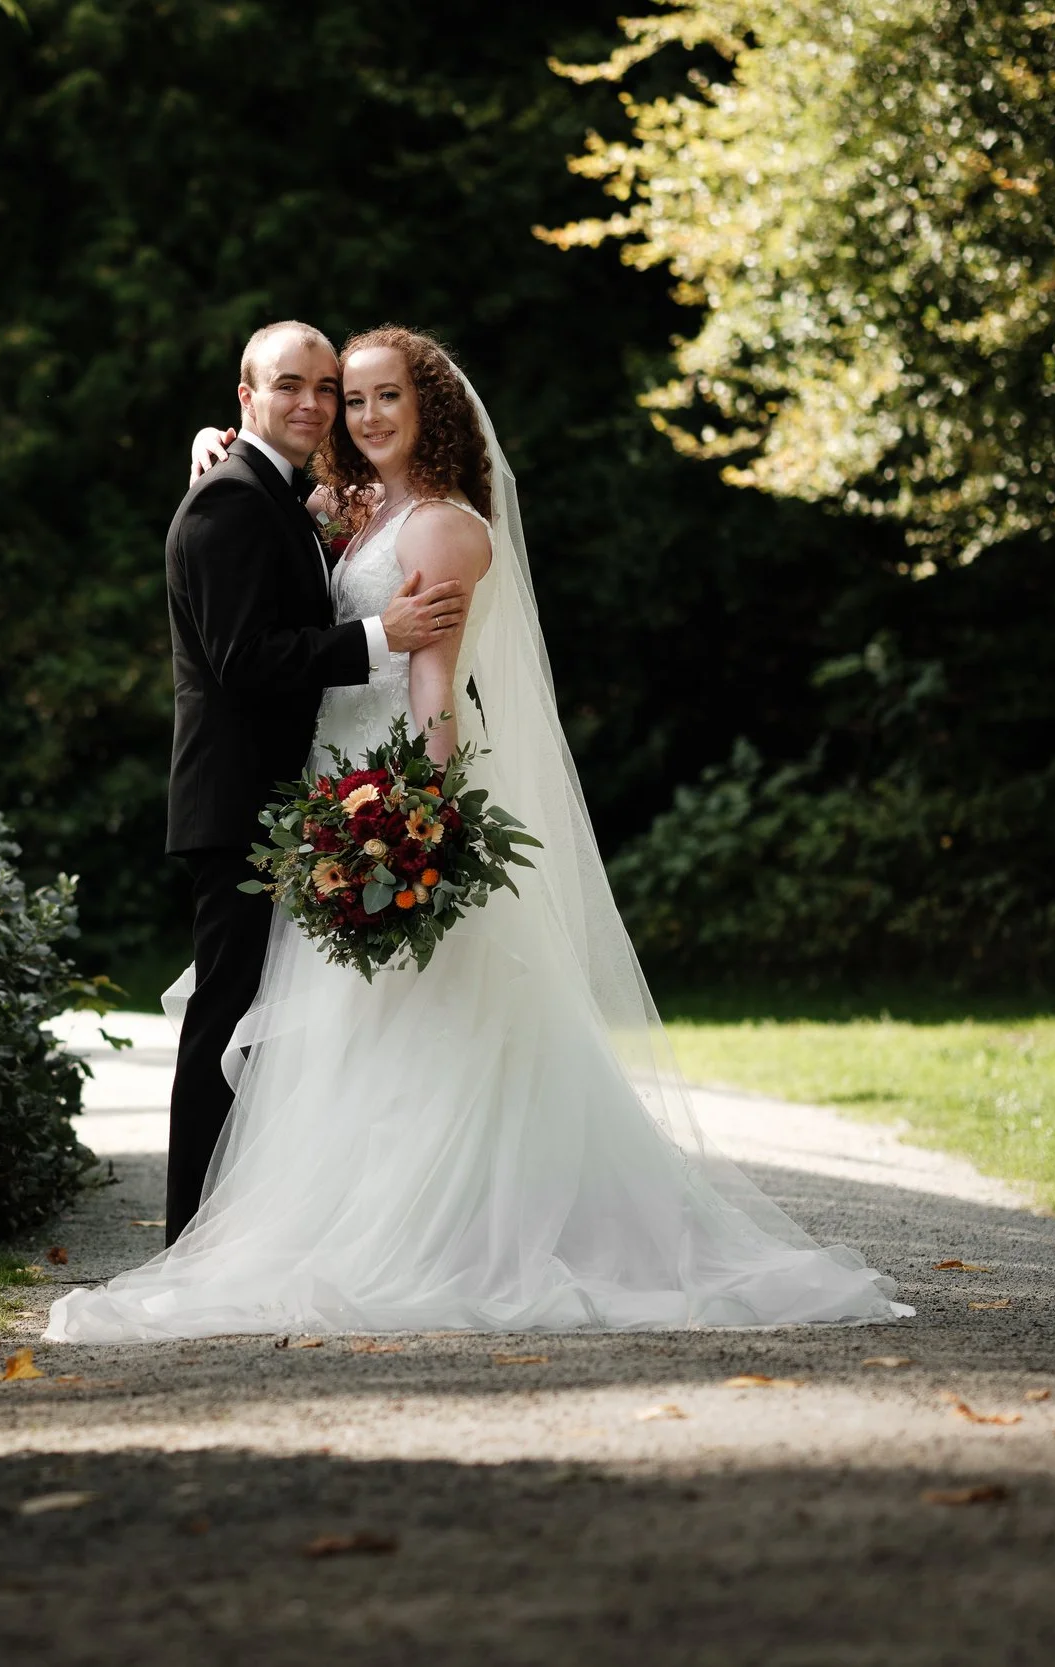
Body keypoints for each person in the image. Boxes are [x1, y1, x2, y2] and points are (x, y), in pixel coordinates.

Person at [49, 325, 908, 1341]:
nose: (351, 413)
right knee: (294, 1030)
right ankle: (246, 1229)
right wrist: (219, 439)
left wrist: (424, 814)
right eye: (337, 395)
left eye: (372, 397)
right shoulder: (349, 507)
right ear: (256, 394)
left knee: (390, 1025)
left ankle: (412, 1230)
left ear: (430, 411)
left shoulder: (442, 526)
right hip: (314, 796)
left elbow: (432, 690)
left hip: (376, 796)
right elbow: (271, 541)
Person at [155, 320, 468, 1248]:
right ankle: (188, 1236)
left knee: (273, 1028)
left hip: (293, 800)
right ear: (246, 398)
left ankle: (247, 1224)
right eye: (290, 385)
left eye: (328, 389)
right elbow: (243, 660)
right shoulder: (231, 500)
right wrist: (383, 638)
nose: (315, 404)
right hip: (240, 803)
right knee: (230, 1019)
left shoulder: (289, 495)